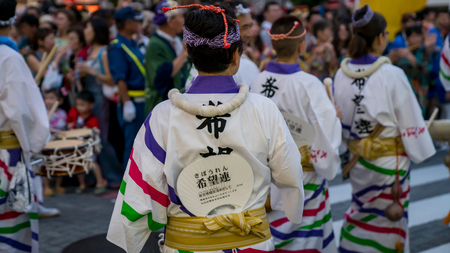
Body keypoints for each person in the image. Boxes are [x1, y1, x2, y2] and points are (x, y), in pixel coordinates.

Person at [107, 4, 305, 252]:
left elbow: (142, 190)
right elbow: (289, 174)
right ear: (235, 54)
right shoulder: (263, 109)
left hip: (187, 245)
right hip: (251, 239)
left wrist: (133, 233)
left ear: (188, 50)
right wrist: (290, 204)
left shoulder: (163, 115)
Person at [333, 5, 436, 252]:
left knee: (361, 209)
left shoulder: (341, 74)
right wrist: (420, 146)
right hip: (390, 165)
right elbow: (412, 123)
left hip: (358, 161)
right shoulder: (392, 74)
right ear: (380, 38)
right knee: (389, 218)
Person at [251, 16, 341, 253]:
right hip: (303, 175)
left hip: (265, 174)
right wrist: (335, 121)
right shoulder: (310, 85)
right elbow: (327, 135)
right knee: (304, 235)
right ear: (302, 46)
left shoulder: (258, 81)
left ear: (273, 46)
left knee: (271, 232)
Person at [0, 0, 50, 250]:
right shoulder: (9, 58)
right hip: (5, 157)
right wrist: (36, 145)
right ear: (11, 24)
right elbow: (23, 113)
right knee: (9, 233)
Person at [76, 17, 123, 189]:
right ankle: (94, 177)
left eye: (87, 27)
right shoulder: (89, 51)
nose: (85, 31)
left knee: (100, 138)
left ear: (96, 30)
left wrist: (90, 71)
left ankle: (113, 176)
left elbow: (111, 80)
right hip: (88, 98)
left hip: (100, 100)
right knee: (89, 137)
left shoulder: (104, 51)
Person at [185, 1, 260, 89]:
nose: (249, 34)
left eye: (250, 27)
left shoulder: (200, 63)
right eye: (244, 28)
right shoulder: (246, 66)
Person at [108, 6, 147, 171]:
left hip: (142, 101)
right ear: (128, 23)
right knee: (132, 146)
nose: (140, 24)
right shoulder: (117, 47)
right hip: (132, 101)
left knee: (141, 146)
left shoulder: (132, 42)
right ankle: (127, 189)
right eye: (137, 21)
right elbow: (120, 78)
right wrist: (127, 103)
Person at [144, 0, 189, 114]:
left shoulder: (178, 40)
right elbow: (163, 75)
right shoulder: (155, 44)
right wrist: (185, 53)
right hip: (161, 105)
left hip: (178, 103)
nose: (183, 20)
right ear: (170, 21)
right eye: (180, 16)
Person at [67, 91, 107, 194]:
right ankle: (82, 184)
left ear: (91, 105)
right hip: (76, 145)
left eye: (82, 105)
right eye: (78, 104)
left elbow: (96, 135)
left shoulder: (93, 120)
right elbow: (68, 125)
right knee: (79, 164)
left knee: (92, 162)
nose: (79, 107)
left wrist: (93, 146)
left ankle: (100, 182)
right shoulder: (73, 112)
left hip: (89, 146)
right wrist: (70, 126)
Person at [396, 24, 440, 116]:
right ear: (407, 39)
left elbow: (427, 70)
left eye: (418, 35)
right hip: (405, 92)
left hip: (422, 94)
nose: (416, 39)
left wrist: (412, 59)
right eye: (413, 36)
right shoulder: (401, 53)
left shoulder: (425, 52)